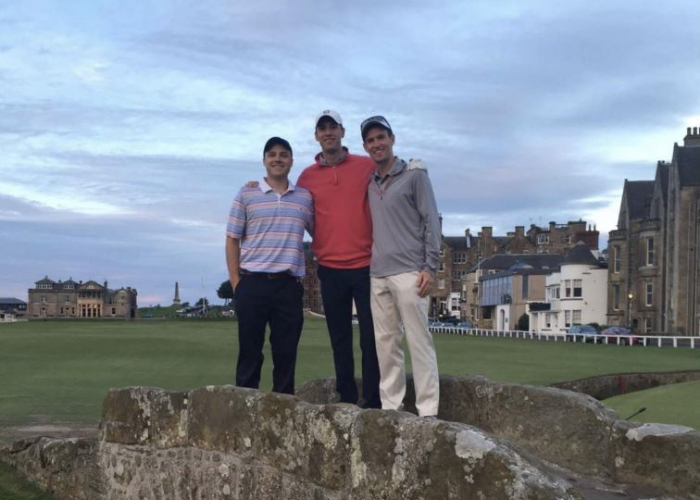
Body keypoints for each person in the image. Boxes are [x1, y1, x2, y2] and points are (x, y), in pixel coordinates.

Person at [296, 110, 382, 408]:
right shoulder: (307, 176)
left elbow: (393, 176)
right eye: (323, 128)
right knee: (340, 339)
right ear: (317, 136)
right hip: (330, 268)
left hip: (367, 266)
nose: (328, 132)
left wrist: (416, 170)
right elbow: (298, 209)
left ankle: (373, 402)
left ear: (343, 132)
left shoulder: (365, 165)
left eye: (333, 127)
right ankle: (347, 399)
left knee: (372, 338)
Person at [361, 115, 441, 417]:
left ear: (392, 139)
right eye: (371, 140)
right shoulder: (369, 182)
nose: (376, 144)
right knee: (386, 344)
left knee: (419, 342)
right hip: (378, 273)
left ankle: (428, 411)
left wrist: (430, 267)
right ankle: (392, 408)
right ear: (365, 146)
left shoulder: (415, 176)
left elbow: (431, 222)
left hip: (411, 272)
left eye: (381, 137)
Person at [225, 137, 313, 395]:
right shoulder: (246, 193)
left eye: (283, 154)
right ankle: (244, 412)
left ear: (291, 161)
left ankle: (283, 413)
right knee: (250, 353)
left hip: (288, 285)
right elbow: (232, 240)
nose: (278, 159)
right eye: (272, 154)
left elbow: (321, 232)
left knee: (286, 356)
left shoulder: (304, 198)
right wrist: (236, 284)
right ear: (264, 160)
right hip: (252, 282)